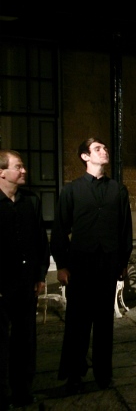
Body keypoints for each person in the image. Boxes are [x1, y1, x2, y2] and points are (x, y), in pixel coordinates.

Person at [51, 138, 133, 394]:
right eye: (98, 148)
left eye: (104, 148)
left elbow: (125, 230)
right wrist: (62, 265)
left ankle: (103, 373)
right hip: (80, 264)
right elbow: (60, 229)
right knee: (77, 322)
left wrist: (121, 263)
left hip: (107, 263)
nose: (104, 151)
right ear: (85, 157)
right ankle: (74, 373)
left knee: (104, 323)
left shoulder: (117, 190)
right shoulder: (72, 190)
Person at [0, 150, 50, 410]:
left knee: (25, 341)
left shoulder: (31, 201)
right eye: (18, 167)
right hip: (1, 286)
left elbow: (40, 241)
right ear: (1, 172)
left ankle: (23, 391)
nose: (23, 171)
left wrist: (40, 275)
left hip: (26, 285)